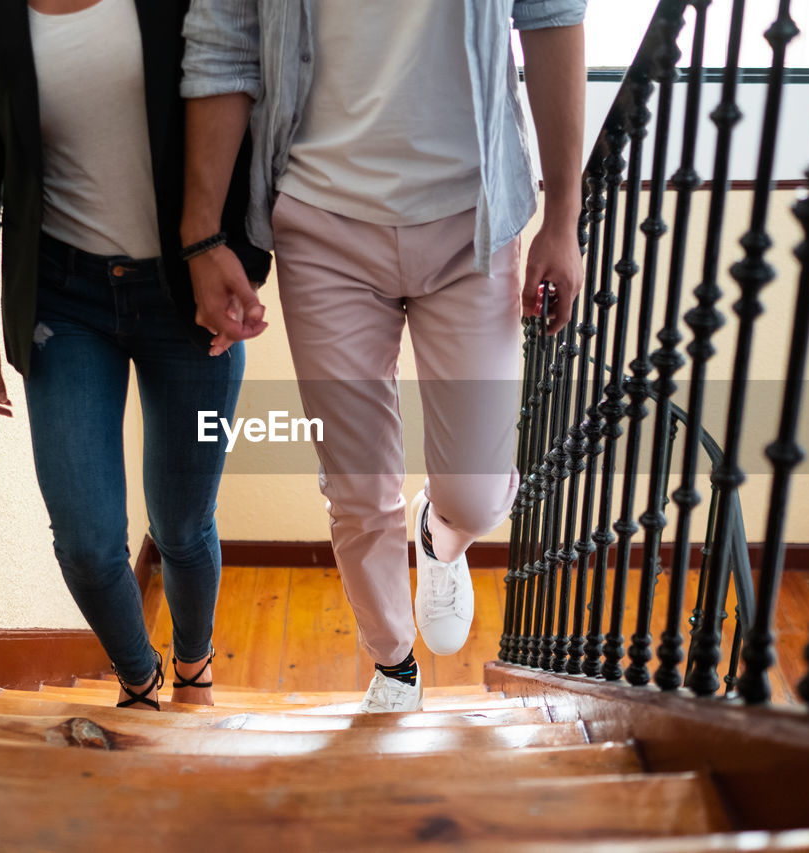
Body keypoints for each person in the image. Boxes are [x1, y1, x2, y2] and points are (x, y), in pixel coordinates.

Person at [178, 0, 586, 711]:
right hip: (320, 217)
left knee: (479, 493)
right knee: (358, 485)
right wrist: (202, 235)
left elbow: (551, 15)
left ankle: (439, 532)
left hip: (474, 216)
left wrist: (563, 218)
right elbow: (221, 44)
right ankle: (394, 665)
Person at [0, 0, 269, 710]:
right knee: (85, 542)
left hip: (187, 289)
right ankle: (140, 678)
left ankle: (195, 665)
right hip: (64, 298)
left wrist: (242, 262)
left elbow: (245, 91)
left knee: (181, 523)